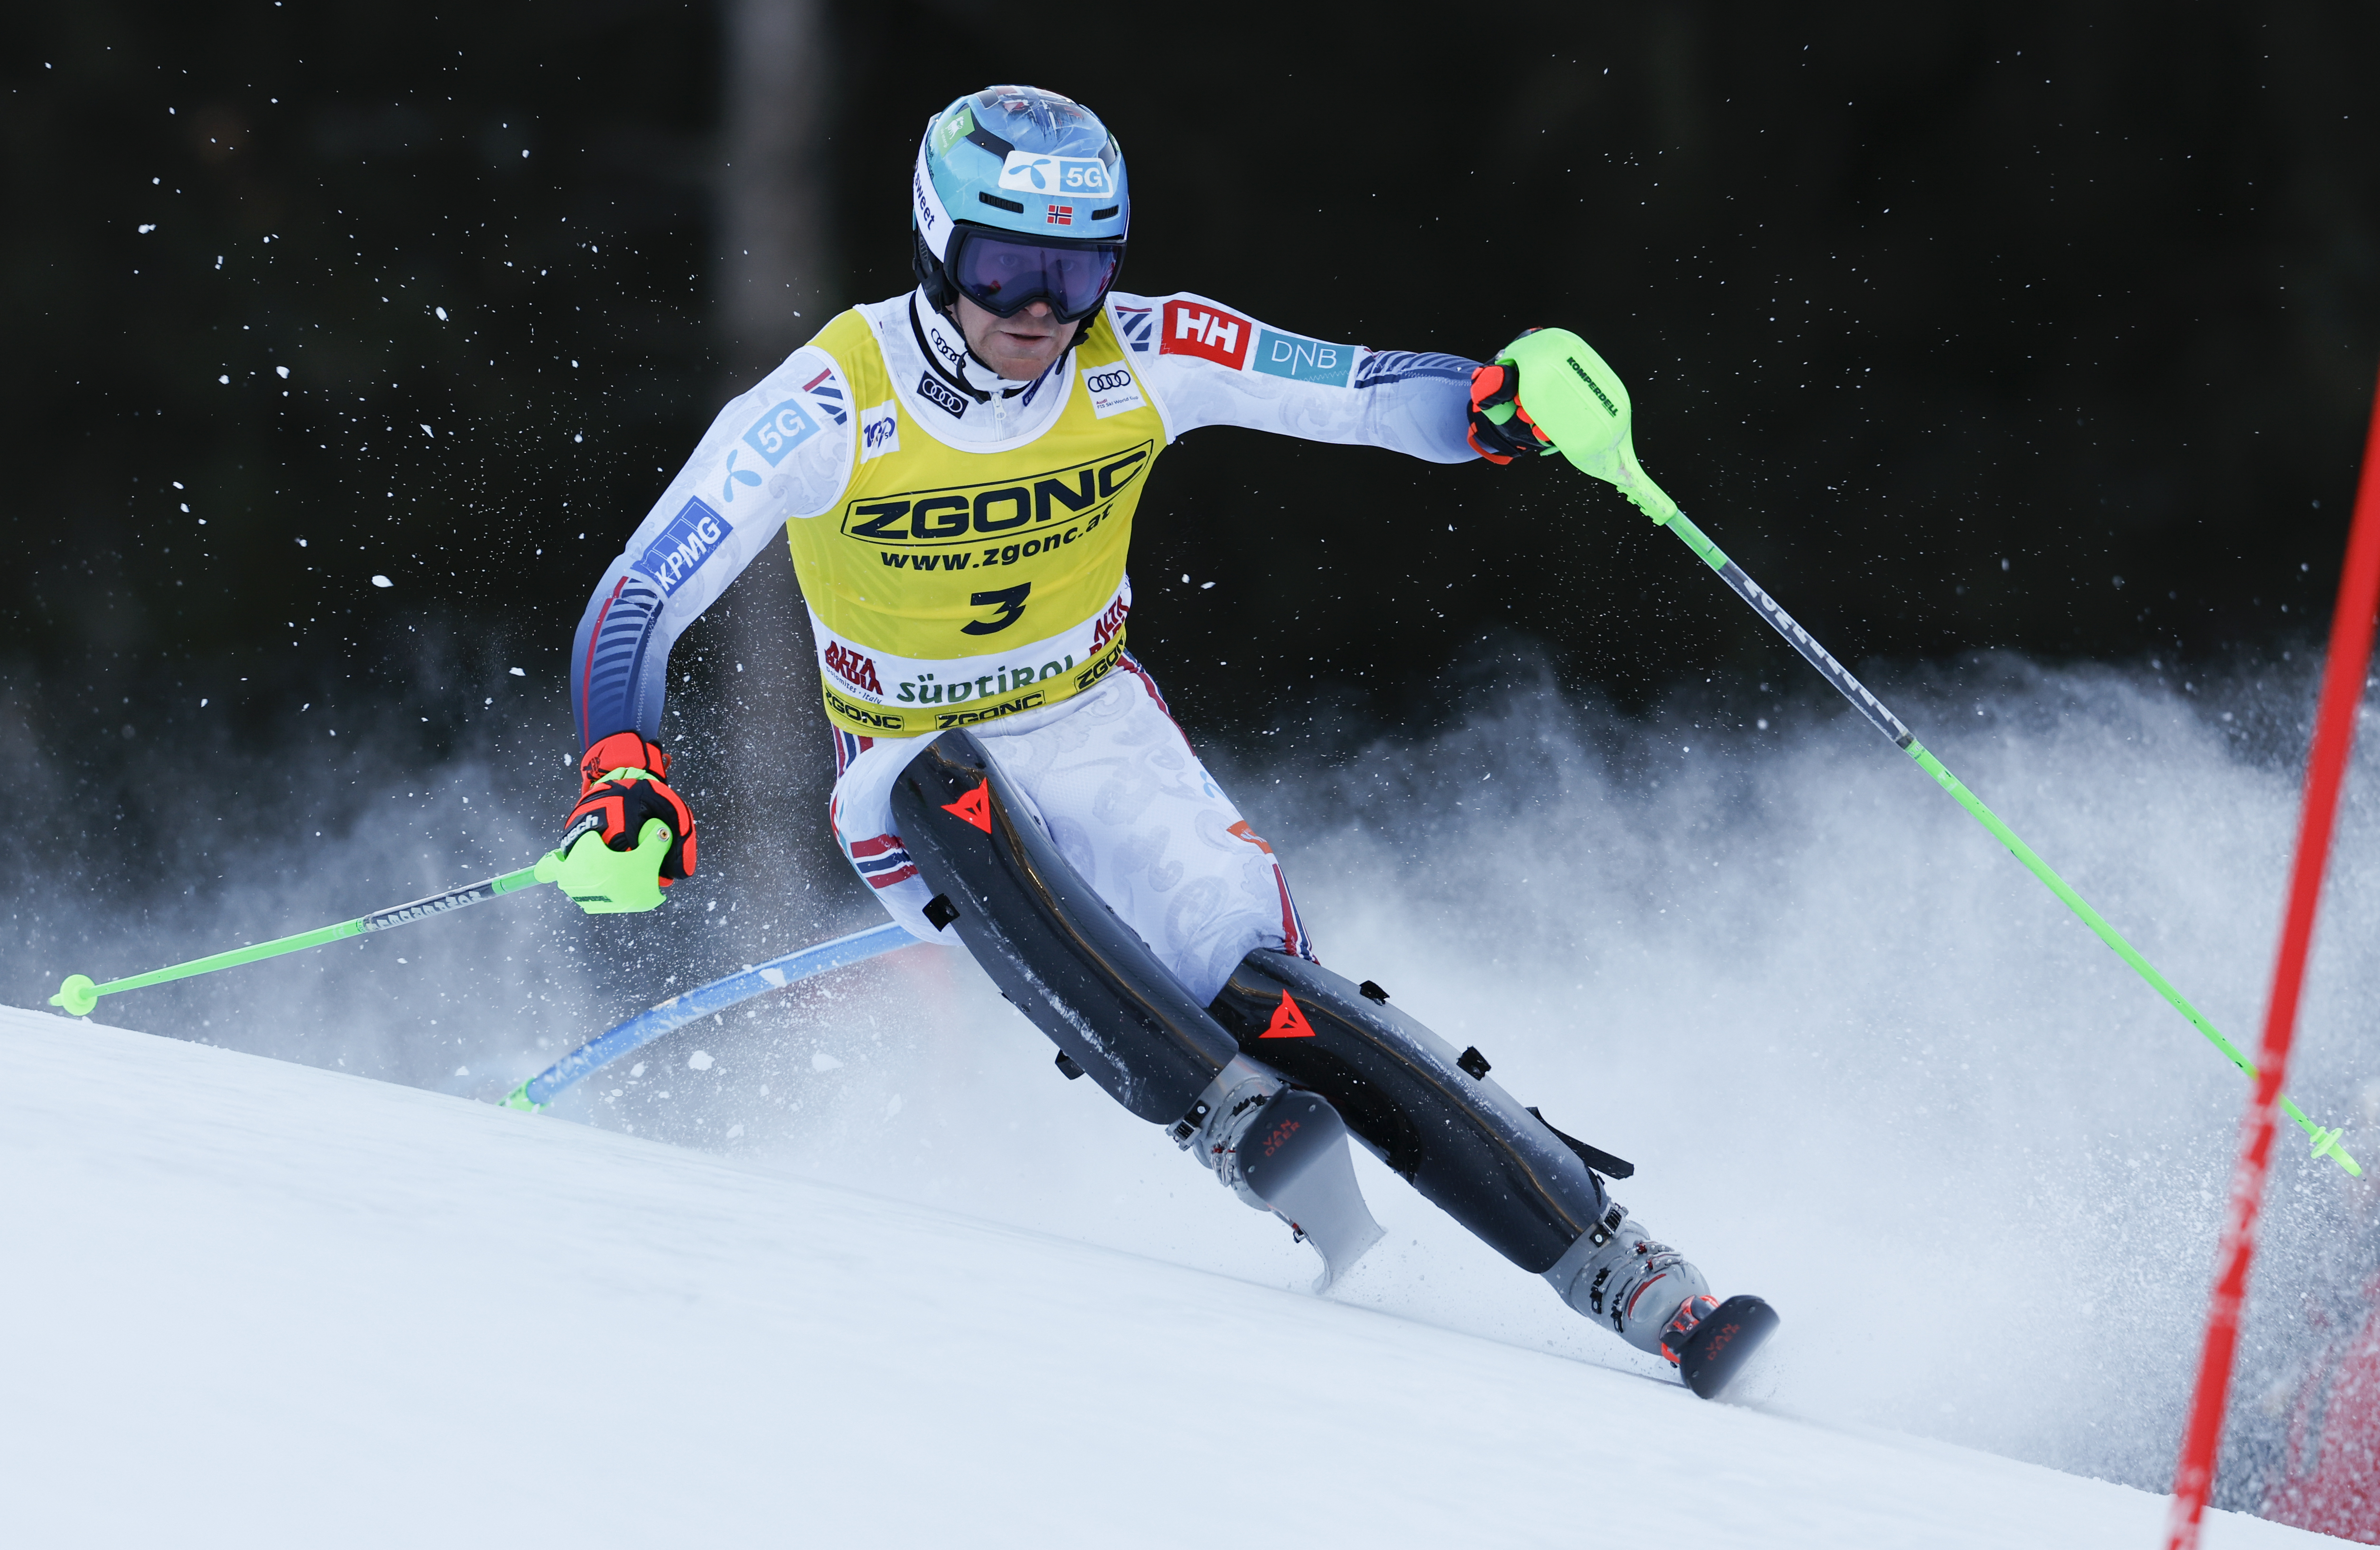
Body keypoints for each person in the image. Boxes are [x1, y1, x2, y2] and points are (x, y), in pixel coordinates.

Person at [541, 84, 1774, 1396]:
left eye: (1074, 274)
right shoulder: (832, 399)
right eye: (1004, 268)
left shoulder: (1145, 347)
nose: (1038, 312)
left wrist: (1492, 404)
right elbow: (640, 592)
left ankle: (1632, 1276)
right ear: (936, 247)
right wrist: (623, 767)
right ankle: (1220, 1116)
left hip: (1098, 728)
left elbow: (1359, 391)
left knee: (1267, 992)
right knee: (945, 793)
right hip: (905, 749)